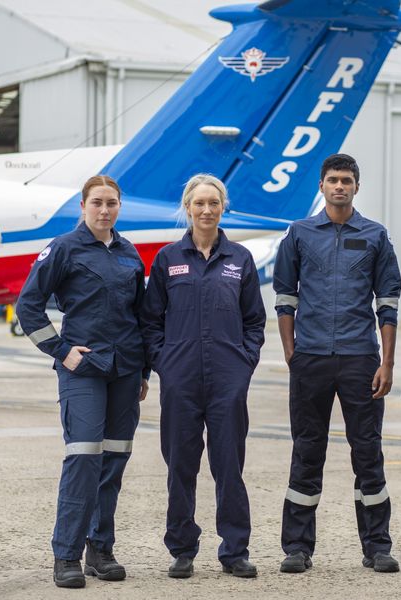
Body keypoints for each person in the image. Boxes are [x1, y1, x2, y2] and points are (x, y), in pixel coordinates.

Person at [16, 174, 150, 588]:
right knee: (84, 458)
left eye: (111, 203)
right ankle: (67, 555)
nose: (104, 210)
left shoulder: (130, 254)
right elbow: (28, 306)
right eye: (97, 202)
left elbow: (141, 318)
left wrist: (144, 371)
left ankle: (101, 549)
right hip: (84, 371)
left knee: (114, 460)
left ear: (119, 207)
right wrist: (61, 350)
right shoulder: (63, 248)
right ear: (83, 205)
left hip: (125, 371)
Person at [274, 154, 401, 574]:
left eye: (347, 180)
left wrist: (387, 361)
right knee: (307, 451)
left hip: (359, 358)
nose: (340, 187)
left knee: (368, 453)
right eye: (333, 180)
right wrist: (292, 352)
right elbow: (284, 296)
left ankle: (377, 547)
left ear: (356, 187)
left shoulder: (375, 235)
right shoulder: (299, 234)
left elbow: (388, 303)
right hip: (310, 359)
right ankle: (297, 547)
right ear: (322, 186)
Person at [140, 174, 265, 579]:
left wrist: (244, 362)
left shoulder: (240, 259)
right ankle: (181, 548)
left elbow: (254, 321)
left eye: (213, 203)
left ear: (222, 206)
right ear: (188, 208)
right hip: (181, 378)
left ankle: (234, 551)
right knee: (180, 464)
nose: (206, 210)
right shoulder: (168, 258)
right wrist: (164, 362)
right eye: (199, 204)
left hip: (228, 378)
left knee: (229, 465)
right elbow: (150, 319)